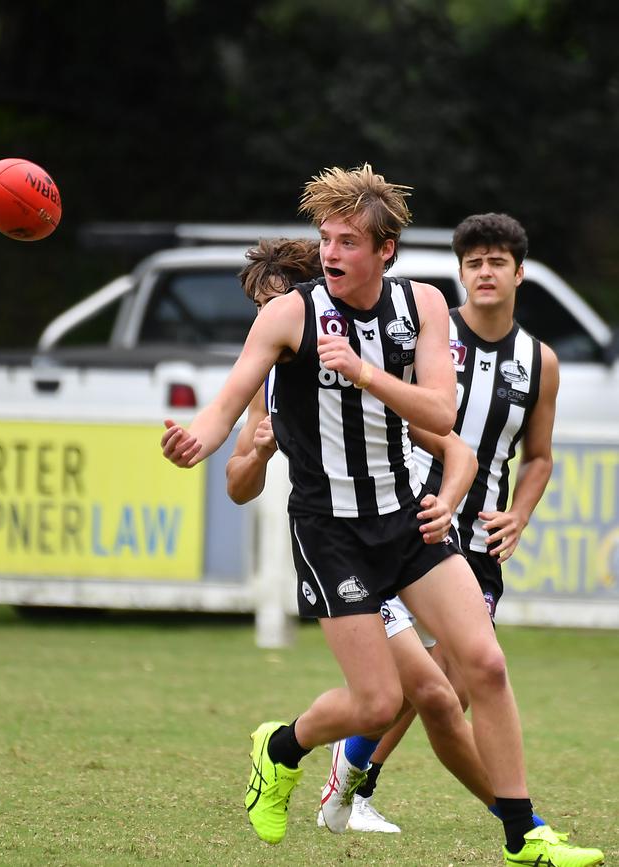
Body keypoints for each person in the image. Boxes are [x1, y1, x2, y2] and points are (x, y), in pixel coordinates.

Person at [160, 167, 603, 866]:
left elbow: (441, 414)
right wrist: (196, 438)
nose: (332, 254)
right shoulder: (289, 314)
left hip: (404, 520)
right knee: (376, 702)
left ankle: (525, 833)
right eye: (326, 240)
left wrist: (366, 373)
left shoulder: (421, 306)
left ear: (386, 248)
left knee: (483, 662)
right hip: (330, 531)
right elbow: (228, 405)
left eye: (348, 241)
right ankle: (280, 746)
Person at [227, 236, 505, 835]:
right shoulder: (268, 377)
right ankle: (512, 820)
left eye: (276, 302)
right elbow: (238, 485)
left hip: (397, 532)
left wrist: (448, 502)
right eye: (259, 307)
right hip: (340, 549)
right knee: (422, 696)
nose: (269, 320)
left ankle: (511, 818)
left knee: (439, 692)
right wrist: (256, 452)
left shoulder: (364, 356)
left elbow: (456, 449)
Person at [334, 213, 586, 844]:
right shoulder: (430, 334)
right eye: (473, 262)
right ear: (460, 272)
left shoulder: (539, 362)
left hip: (479, 546)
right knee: (427, 687)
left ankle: (355, 772)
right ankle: (358, 775)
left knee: (450, 688)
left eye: (497, 261)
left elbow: (540, 456)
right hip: (411, 526)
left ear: (519, 273)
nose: (484, 272)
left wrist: (520, 515)